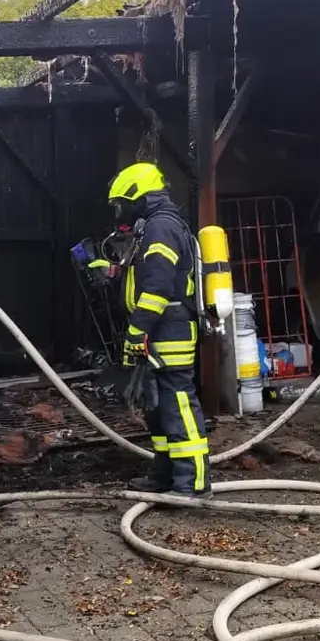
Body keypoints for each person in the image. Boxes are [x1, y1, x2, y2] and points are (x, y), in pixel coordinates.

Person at [101, 162, 211, 497]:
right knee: (158, 407)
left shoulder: (160, 228)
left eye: (121, 203)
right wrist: (110, 273)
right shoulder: (151, 228)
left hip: (170, 329)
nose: (119, 212)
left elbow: (159, 288)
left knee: (177, 404)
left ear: (138, 198)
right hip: (160, 329)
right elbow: (148, 277)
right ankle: (164, 476)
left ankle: (192, 484)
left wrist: (137, 330)